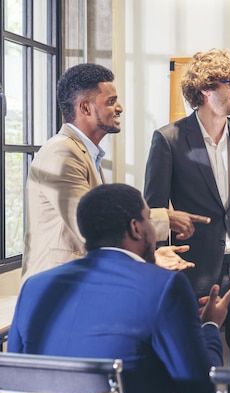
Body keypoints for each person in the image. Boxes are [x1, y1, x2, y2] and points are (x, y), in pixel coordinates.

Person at [9, 183, 230, 393]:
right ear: (135, 228)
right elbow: (198, 389)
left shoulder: (34, 287)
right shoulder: (164, 286)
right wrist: (209, 326)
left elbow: (15, 377)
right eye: (148, 218)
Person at [144, 48, 230, 369]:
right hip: (193, 272)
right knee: (197, 366)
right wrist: (164, 264)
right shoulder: (169, 139)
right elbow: (154, 210)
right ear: (205, 89)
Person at [22, 62, 209, 281]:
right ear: (85, 108)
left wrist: (151, 256)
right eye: (111, 102)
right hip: (58, 291)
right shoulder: (61, 152)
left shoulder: (84, 153)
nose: (120, 108)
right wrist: (164, 218)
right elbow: (91, 226)